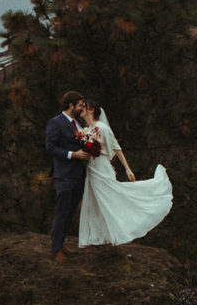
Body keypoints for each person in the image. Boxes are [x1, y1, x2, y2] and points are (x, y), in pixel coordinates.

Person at [77, 99, 173, 247]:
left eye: (84, 107)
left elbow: (116, 148)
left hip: (101, 166)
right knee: (96, 199)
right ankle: (100, 234)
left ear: (91, 110)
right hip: (92, 168)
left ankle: (118, 230)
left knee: (110, 197)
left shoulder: (102, 128)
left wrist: (127, 168)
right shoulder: (84, 131)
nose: (81, 109)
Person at [45, 91, 91, 261]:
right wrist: (73, 154)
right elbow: (50, 147)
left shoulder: (79, 122)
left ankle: (61, 243)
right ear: (71, 105)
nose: (82, 108)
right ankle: (55, 249)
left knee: (70, 211)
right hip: (64, 174)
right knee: (62, 211)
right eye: (79, 105)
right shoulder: (55, 123)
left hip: (79, 173)